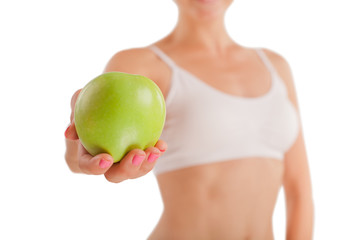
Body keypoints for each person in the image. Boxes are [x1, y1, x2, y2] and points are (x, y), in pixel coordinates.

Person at [64, 0, 314, 239]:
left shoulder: (276, 65)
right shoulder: (140, 64)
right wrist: (80, 143)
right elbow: (83, 154)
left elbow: (298, 189)